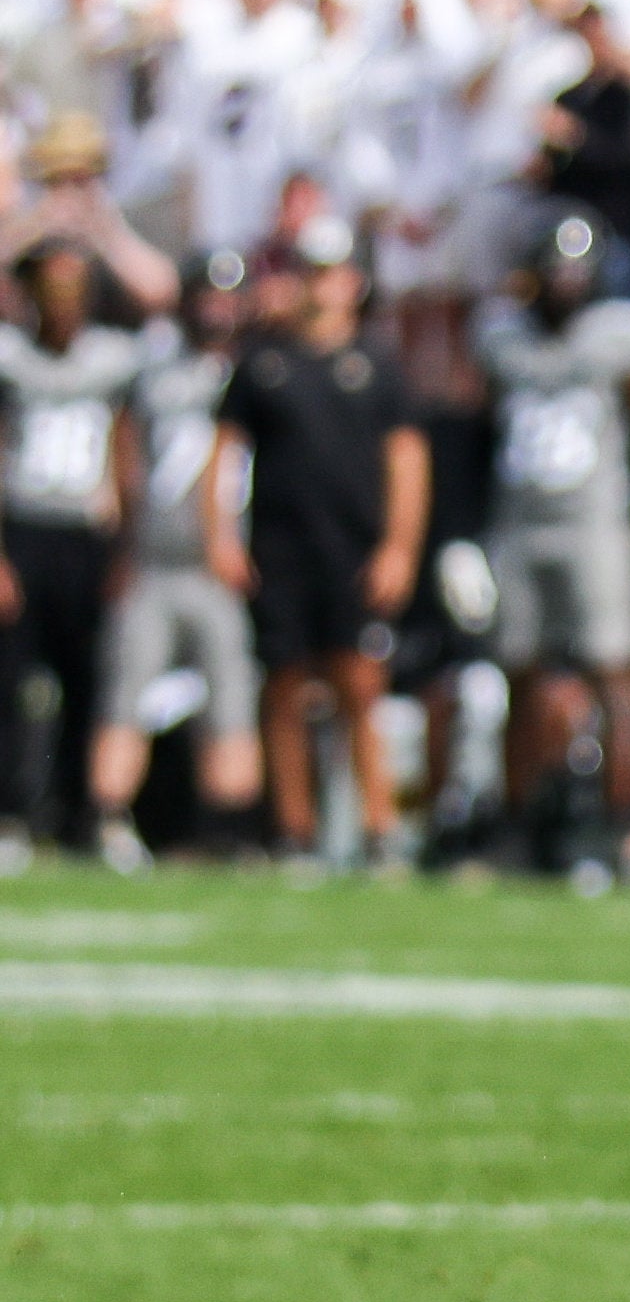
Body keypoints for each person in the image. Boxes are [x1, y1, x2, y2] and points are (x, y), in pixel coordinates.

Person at [471, 211, 630, 876]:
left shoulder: (619, 335)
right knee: (519, 673)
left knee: (612, 672)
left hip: (595, 524)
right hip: (520, 523)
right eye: (555, 269)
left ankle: (624, 826)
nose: (565, 282)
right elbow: (472, 418)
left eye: (576, 270)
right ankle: (520, 821)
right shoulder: (502, 338)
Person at [217, 221, 425, 870]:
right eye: (310, 271)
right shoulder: (263, 364)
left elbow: (407, 463)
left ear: (353, 282)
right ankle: (293, 829)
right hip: (280, 547)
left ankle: (379, 826)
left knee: (359, 685)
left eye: (331, 272)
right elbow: (224, 456)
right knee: (282, 686)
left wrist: (399, 546)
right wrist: (220, 535)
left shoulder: (378, 367)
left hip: (352, 547)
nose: (320, 286)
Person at [87, 250, 263, 864]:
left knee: (231, 698)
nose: (217, 309)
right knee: (125, 692)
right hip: (155, 561)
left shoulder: (255, 372)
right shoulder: (153, 368)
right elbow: (124, 447)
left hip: (221, 571)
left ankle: (227, 830)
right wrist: (123, 540)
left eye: (228, 296)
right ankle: (107, 819)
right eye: (208, 295)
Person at [0, 228, 145, 854]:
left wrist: (124, 547)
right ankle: (10, 812)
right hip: (23, 527)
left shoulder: (112, 357)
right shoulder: (10, 355)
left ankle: (77, 812)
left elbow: (125, 448)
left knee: (86, 678)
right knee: (11, 681)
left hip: (86, 533)